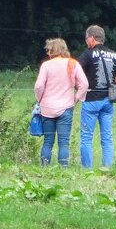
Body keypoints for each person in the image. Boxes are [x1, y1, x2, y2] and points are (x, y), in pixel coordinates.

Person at [77, 24, 116, 169]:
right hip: (108, 102)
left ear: (92, 38)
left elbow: (76, 73)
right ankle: (108, 167)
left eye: (87, 39)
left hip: (91, 100)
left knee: (86, 137)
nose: (86, 42)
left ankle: (87, 169)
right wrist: (112, 81)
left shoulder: (87, 54)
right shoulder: (115, 55)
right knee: (107, 137)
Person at [33, 38, 88, 166]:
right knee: (64, 142)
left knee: (48, 141)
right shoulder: (72, 64)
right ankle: (63, 168)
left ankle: (44, 166)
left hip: (47, 108)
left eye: (48, 49)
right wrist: (76, 99)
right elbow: (84, 84)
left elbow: (39, 86)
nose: (47, 52)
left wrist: (39, 99)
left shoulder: (46, 65)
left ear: (52, 50)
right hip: (66, 107)